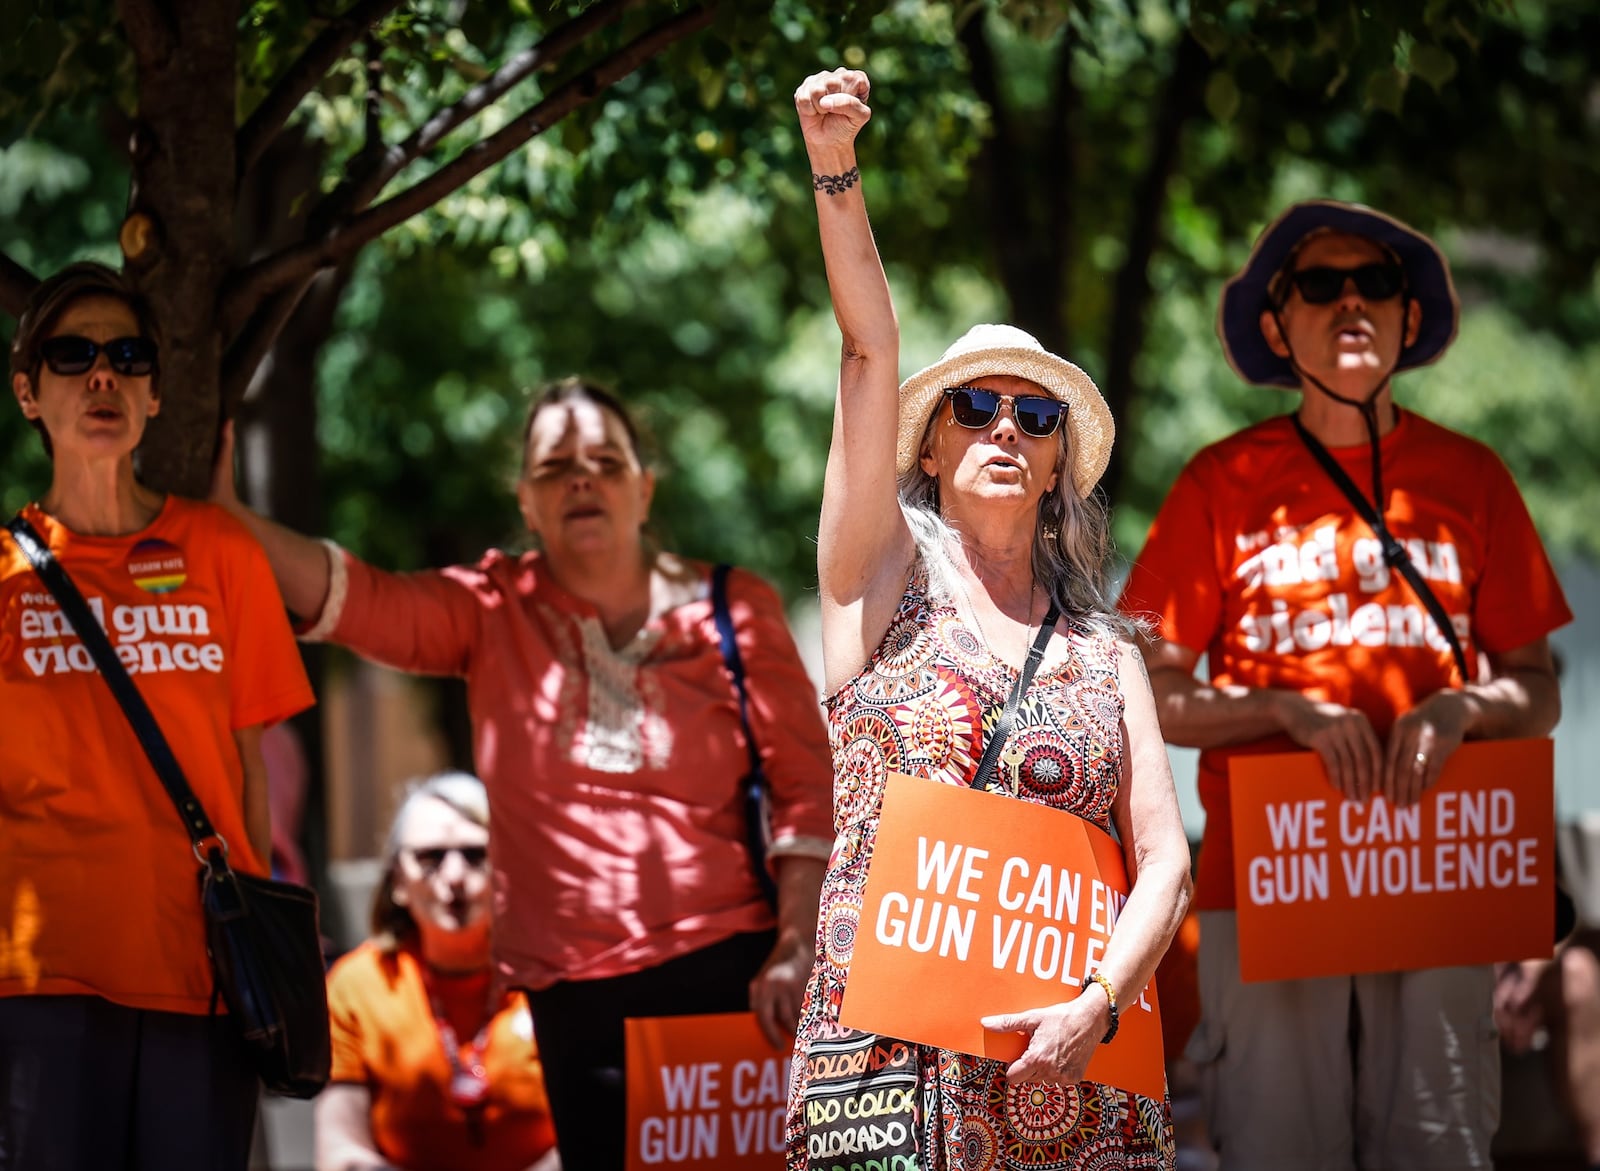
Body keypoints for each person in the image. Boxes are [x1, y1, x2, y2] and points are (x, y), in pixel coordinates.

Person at [211, 375, 834, 1169]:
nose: (582, 477)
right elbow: (360, 598)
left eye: (606, 460)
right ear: (526, 503)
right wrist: (229, 519)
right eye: (554, 466)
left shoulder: (731, 606)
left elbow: (805, 789)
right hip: (574, 1001)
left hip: (732, 980)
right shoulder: (491, 608)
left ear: (644, 489)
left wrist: (794, 944)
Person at [788, 68, 1194, 1169]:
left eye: (1034, 412)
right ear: (929, 446)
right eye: (973, 406)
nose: (1002, 427)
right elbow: (869, 351)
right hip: (886, 1069)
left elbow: (1164, 864)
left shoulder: (1108, 652)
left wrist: (1097, 1004)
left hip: (1068, 1078)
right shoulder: (877, 584)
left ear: (1061, 455)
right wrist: (835, 165)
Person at [1119, 199, 1572, 1170]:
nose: (1352, 301)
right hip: (1271, 874)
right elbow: (1147, 690)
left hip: (1441, 868)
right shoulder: (1217, 482)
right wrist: (1278, 710)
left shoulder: (1473, 475)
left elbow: (1537, 687)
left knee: (1440, 1144)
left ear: (1411, 321)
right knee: (1281, 1146)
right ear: (1278, 327)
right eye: (1319, 285)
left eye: (1377, 285)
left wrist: (1464, 705)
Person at [0, 261, 314, 1169]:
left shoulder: (220, 551)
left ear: (153, 395)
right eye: (74, 355)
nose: (104, 374)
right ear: (29, 393)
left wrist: (266, 947)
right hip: (36, 976)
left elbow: (251, 770)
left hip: (203, 978)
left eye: (128, 356)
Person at [317, 771, 560, 1171]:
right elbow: (339, 1155)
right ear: (398, 880)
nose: (454, 878)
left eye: (475, 854)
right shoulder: (355, 987)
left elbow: (594, 1141)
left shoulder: (554, 979)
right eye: (430, 858)